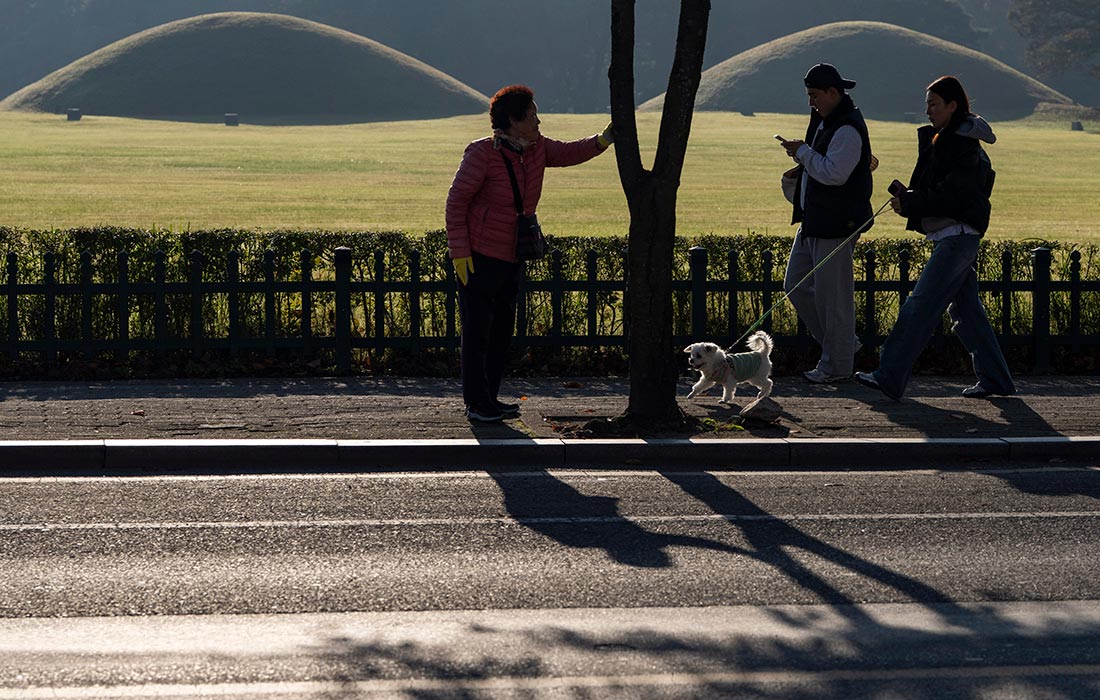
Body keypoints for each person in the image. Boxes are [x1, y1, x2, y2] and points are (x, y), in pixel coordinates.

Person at [445, 85, 613, 422]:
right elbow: (456, 202)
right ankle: (476, 404)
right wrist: (460, 254)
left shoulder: (537, 148)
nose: (539, 121)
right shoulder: (481, 153)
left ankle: (489, 399)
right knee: (477, 333)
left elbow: (569, 152)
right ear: (512, 120)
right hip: (479, 256)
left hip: (513, 255)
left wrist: (603, 140)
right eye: (532, 115)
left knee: (500, 332)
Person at [856, 75, 1015, 401]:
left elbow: (952, 196)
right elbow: (945, 192)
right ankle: (996, 379)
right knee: (967, 312)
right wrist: (910, 199)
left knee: (921, 304)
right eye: (927, 103)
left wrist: (911, 201)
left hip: (957, 236)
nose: (927, 110)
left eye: (933, 103)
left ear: (952, 106)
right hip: (955, 236)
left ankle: (889, 374)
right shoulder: (952, 140)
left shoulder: (961, 145)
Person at [778, 62, 874, 384]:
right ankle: (843, 347)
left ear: (834, 93)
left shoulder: (846, 128)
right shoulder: (826, 121)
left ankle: (837, 365)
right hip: (814, 221)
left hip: (836, 223)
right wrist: (802, 156)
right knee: (796, 285)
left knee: (833, 299)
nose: (811, 102)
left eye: (815, 95)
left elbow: (834, 174)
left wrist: (802, 152)